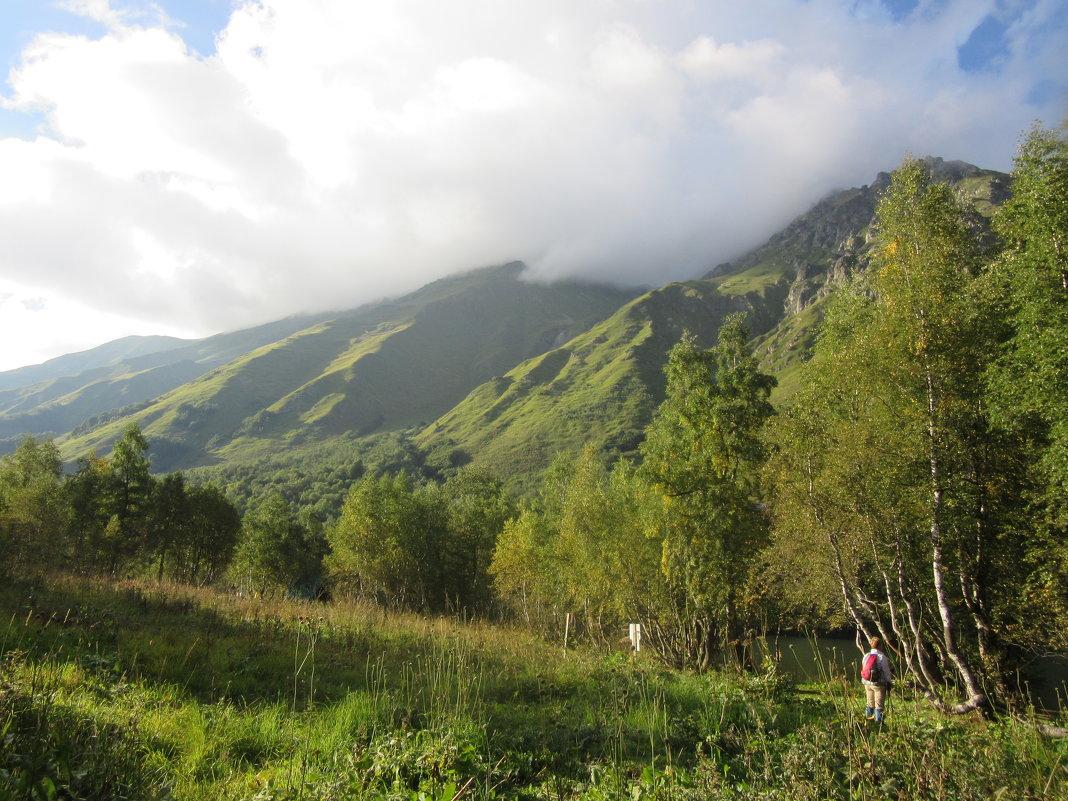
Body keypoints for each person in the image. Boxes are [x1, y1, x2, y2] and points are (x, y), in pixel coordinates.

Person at [860, 636, 893, 723]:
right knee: (879, 704)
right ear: (880, 646)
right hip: (878, 684)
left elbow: (863, 668)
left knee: (869, 703)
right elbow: (886, 672)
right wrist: (889, 682)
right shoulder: (882, 657)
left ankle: (868, 721)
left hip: (867, 682)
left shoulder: (866, 655)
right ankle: (879, 723)